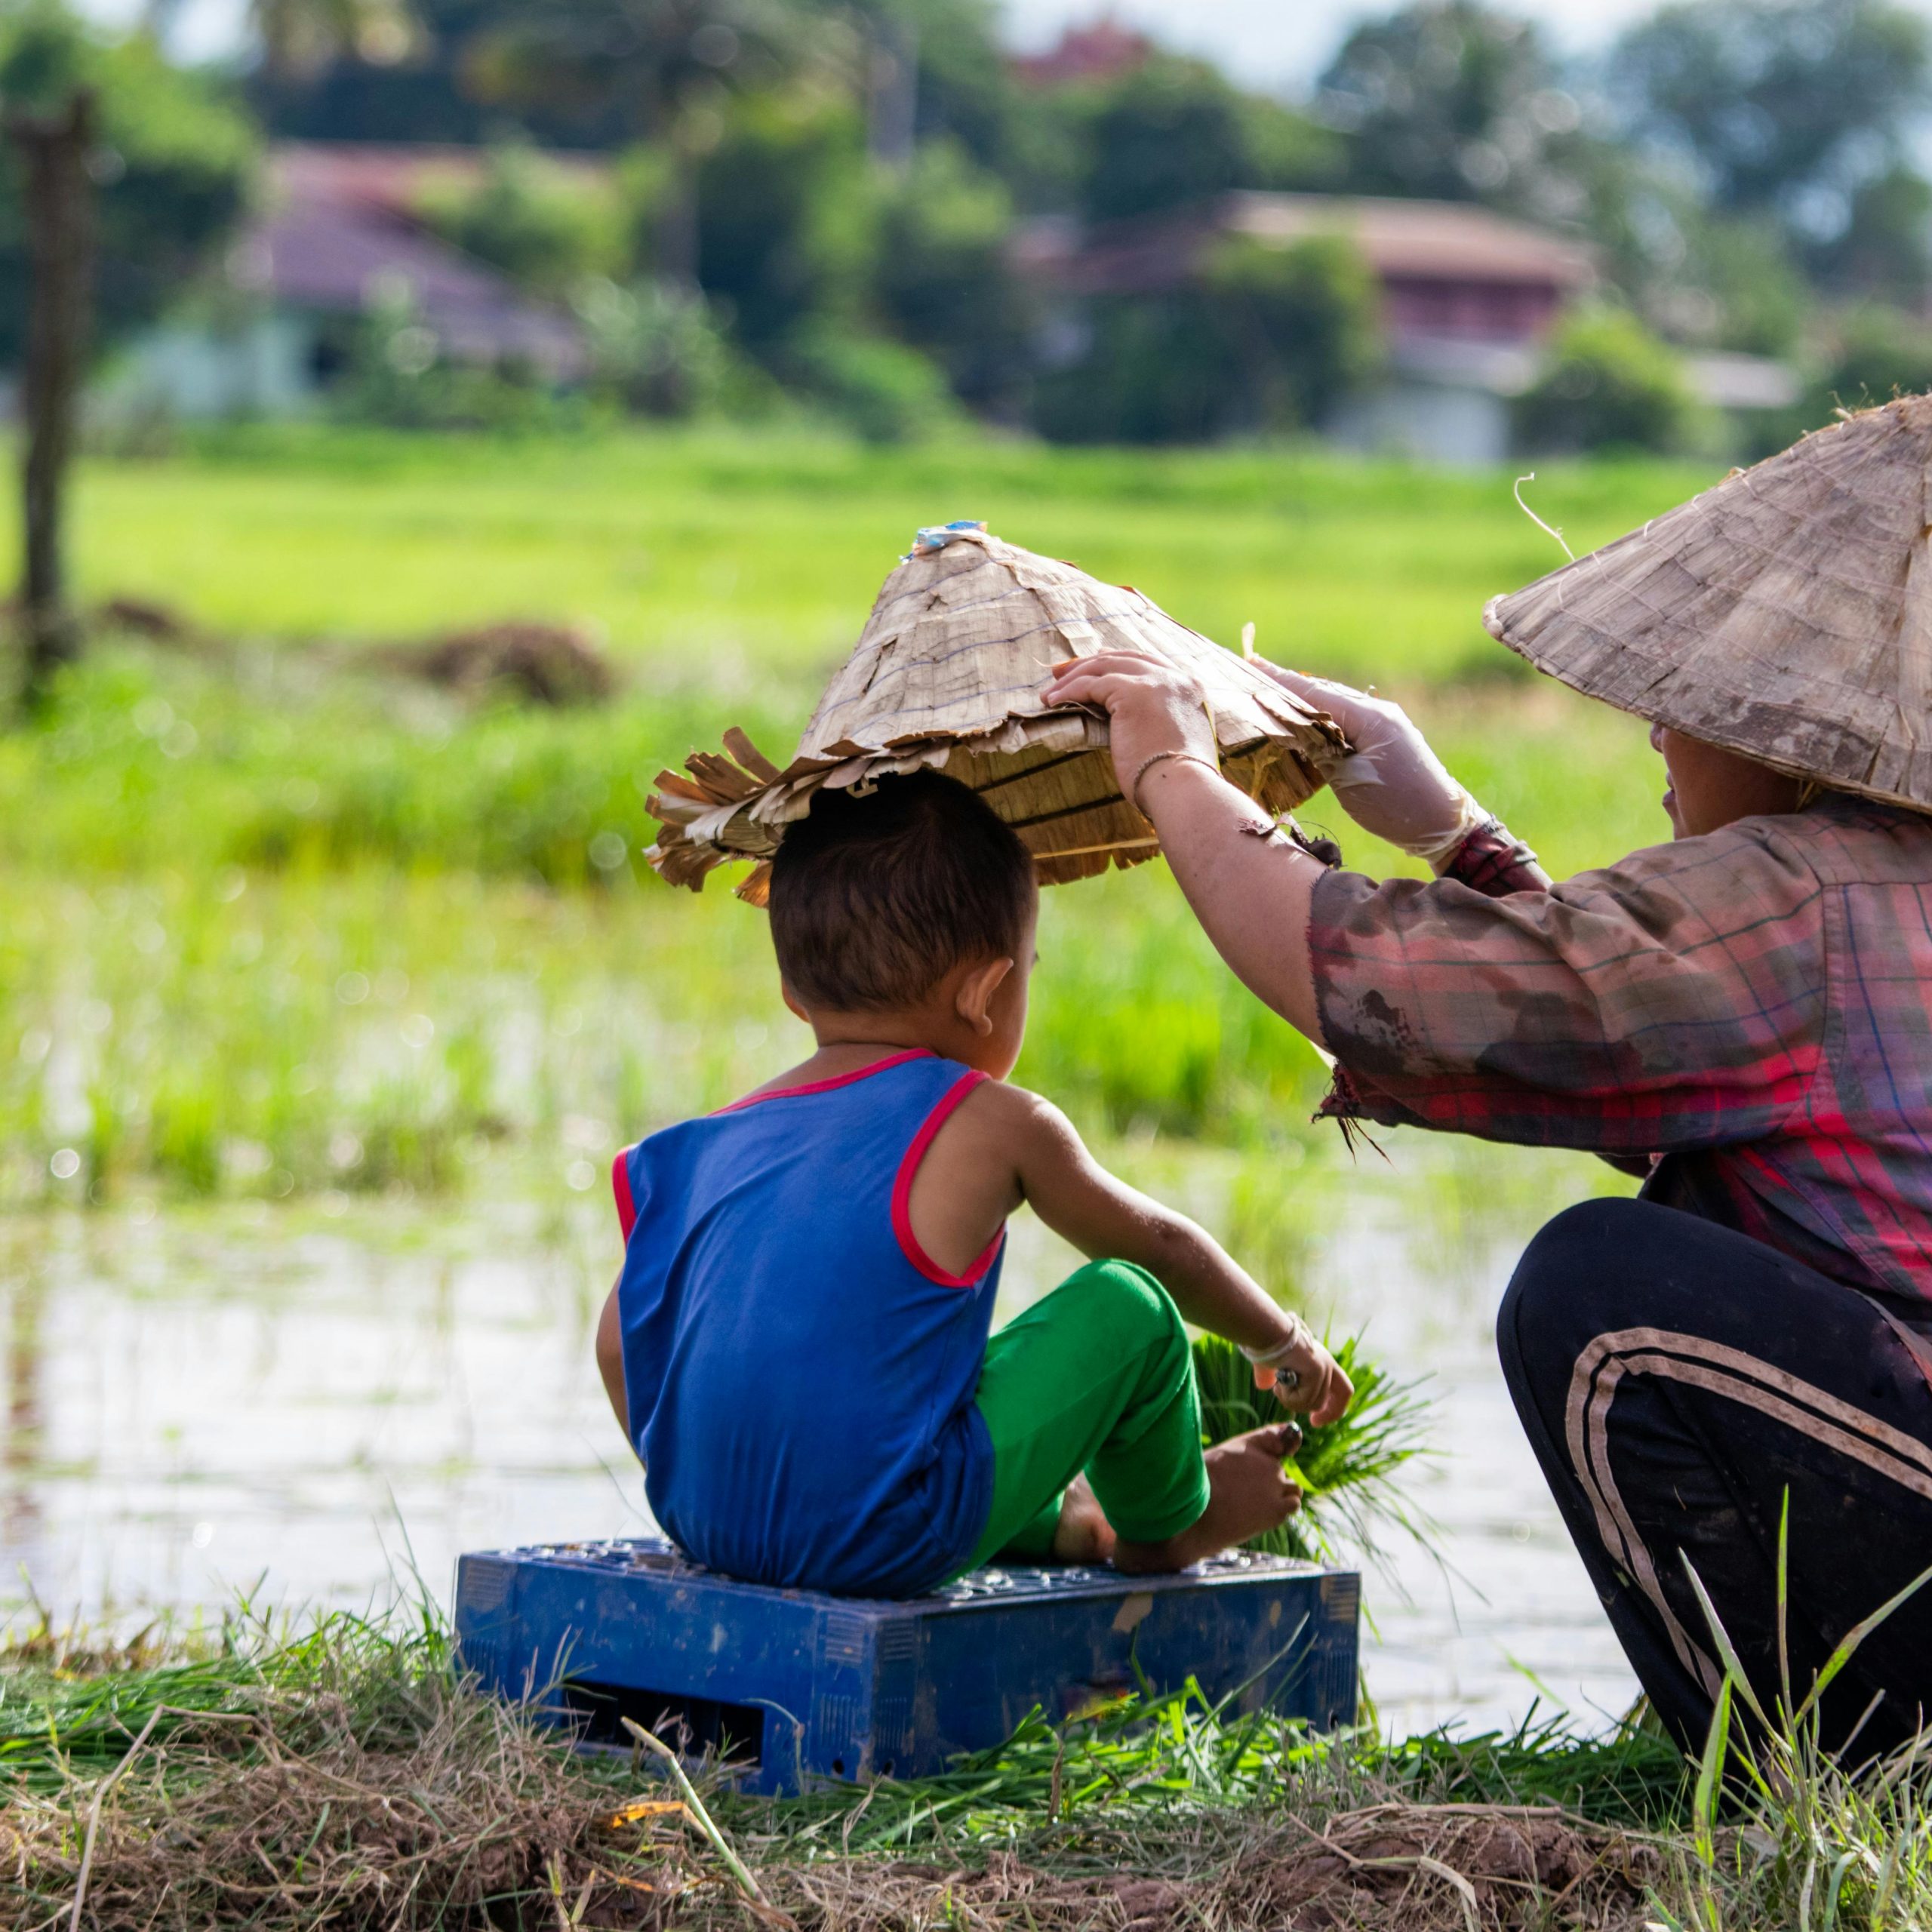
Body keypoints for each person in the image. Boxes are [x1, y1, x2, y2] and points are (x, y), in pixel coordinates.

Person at [1040, 623, 1932, 1758]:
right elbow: (1657, 1047)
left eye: (1699, 710)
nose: (1659, 732)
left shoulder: (1804, 889)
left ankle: (1800, 1780)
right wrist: (1454, 832)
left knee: (1602, 1298)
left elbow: (1393, 995)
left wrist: (1173, 769)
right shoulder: (1881, 882)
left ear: (1796, 737)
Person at [593, 768, 1351, 1599]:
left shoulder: (693, 1147)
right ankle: (1167, 1530)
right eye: (1027, 965)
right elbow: (1158, 1247)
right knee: (1131, 1305)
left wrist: (723, 1494)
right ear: (986, 990)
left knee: (897, 1389)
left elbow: (617, 1343)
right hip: (884, 1538)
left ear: (792, 990)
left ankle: (1071, 1524)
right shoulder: (996, 1121)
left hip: (706, 1524)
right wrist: (1280, 1341)